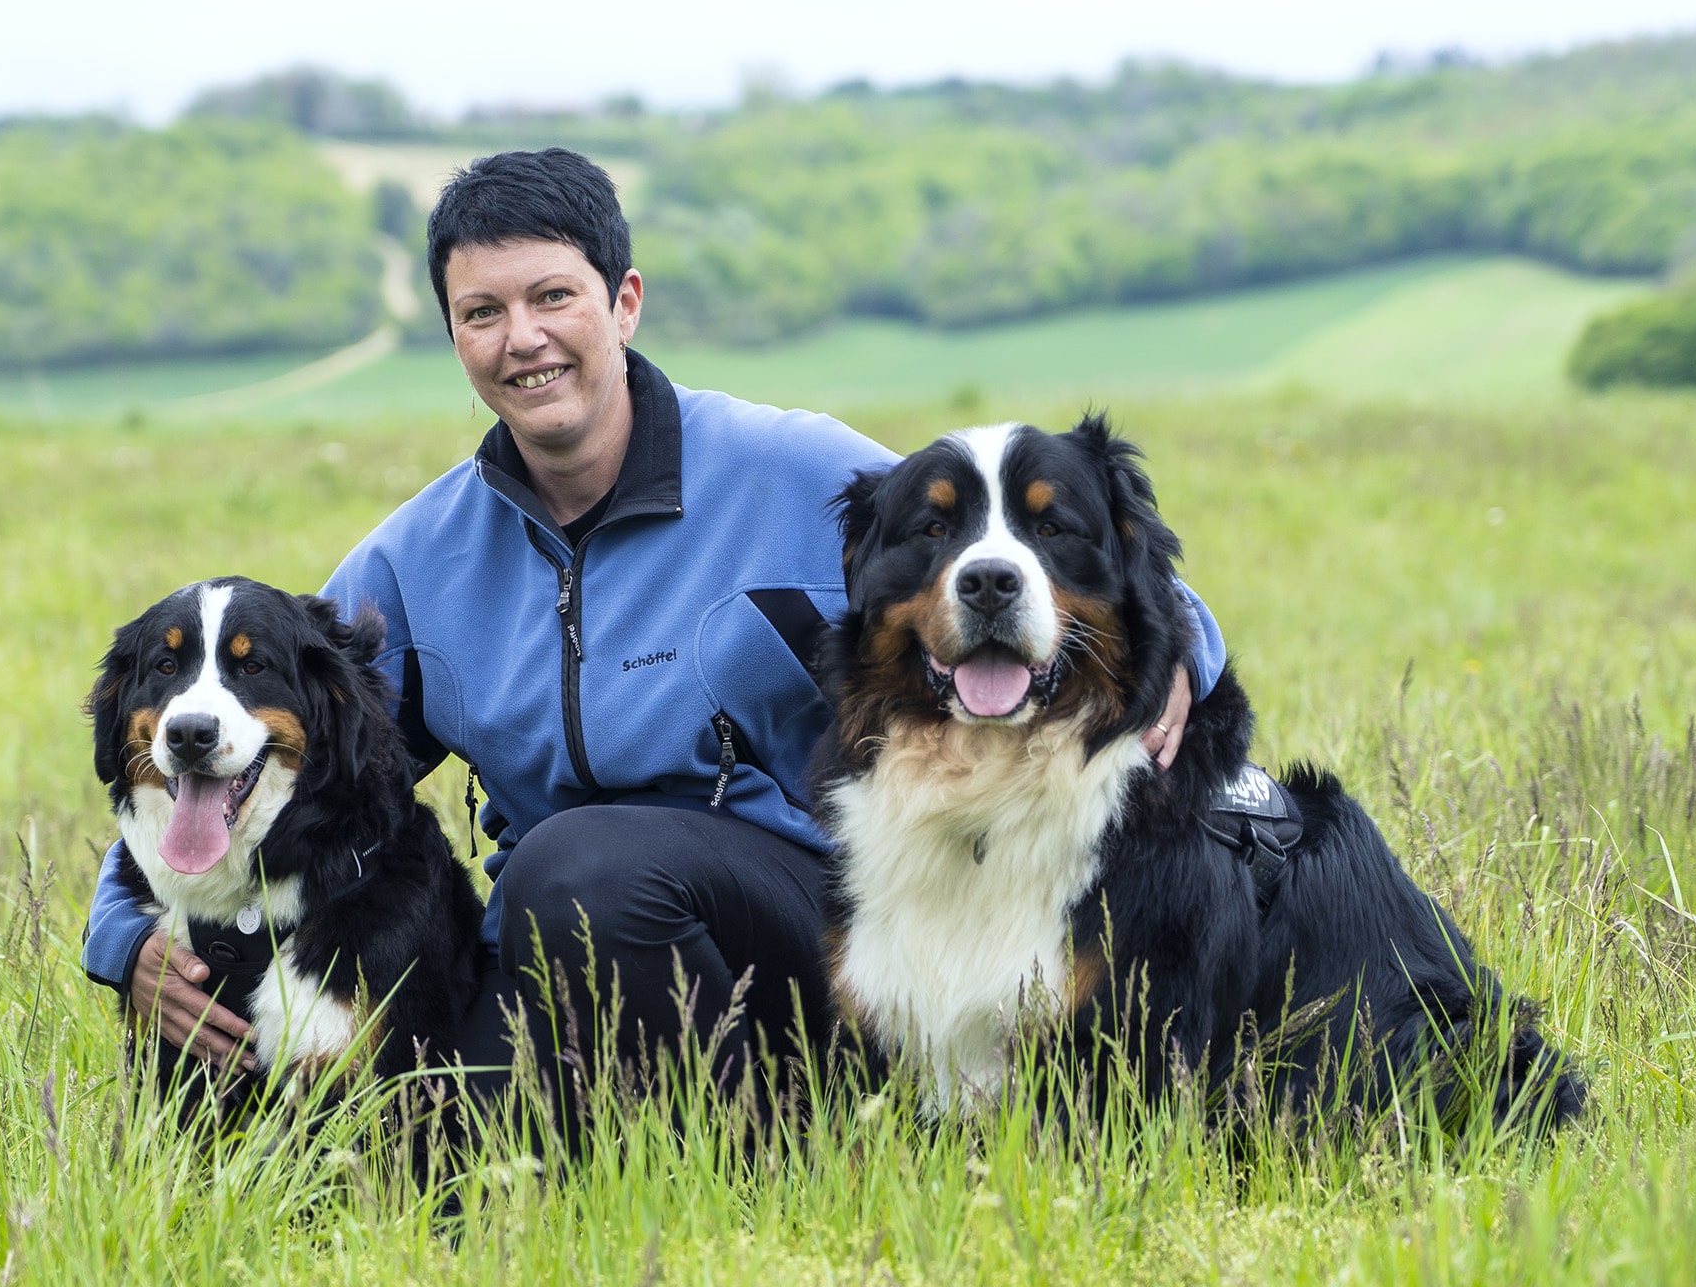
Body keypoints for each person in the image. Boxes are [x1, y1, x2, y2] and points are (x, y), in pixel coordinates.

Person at [82, 148, 1225, 1090]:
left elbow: (1049, 566)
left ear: (623, 303)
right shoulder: (416, 557)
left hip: (811, 919)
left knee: (581, 864)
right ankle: (630, 1128)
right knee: (445, 1152)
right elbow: (257, 729)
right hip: (553, 954)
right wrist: (122, 935)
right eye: (481, 312)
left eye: (552, 297)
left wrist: (1185, 659)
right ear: (454, 338)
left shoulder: (789, 469)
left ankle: (779, 1132)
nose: (521, 337)